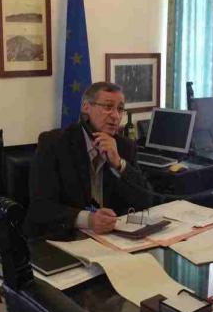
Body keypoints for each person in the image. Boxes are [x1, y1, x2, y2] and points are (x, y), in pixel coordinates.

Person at [24, 82, 153, 239]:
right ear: (86, 107)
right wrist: (88, 219)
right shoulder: (54, 144)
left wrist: (119, 164)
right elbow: (40, 207)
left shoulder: (124, 147)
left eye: (120, 109)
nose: (115, 116)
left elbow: (146, 200)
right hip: (63, 237)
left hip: (111, 238)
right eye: (108, 107)